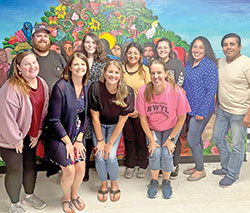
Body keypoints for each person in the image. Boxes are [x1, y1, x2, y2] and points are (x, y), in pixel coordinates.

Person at [0, 51, 49, 213]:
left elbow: (43, 111)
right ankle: (14, 204)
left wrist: (38, 132)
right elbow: (5, 117)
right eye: (27, 64)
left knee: (29, 166)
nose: (32, 66)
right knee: (16, 169)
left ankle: (29, 196)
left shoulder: (42, 83)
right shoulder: (11, 87)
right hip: (9, 137)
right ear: (19, 68)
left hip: (30, 135)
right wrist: (16, 140)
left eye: (34, 62)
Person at [136, 59, 190, 199]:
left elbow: (182, 117)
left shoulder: (176, 91)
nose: (156, 76)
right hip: (153, 128)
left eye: (159, 72)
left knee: (166, 153)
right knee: (154, 152)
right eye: (153, 73)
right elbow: (142, 118)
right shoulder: (144, 91)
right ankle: (154, 181)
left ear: (166, 73)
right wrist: (151, 140)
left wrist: (171, 139)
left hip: (170, 128)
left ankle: (166, 181)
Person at [45, 52, 90, 212]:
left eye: (83, 64)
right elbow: (54, 120)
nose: (80, 67)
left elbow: (87, 117)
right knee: (70, 170)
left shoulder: (88, 86)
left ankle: (75, 194)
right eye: (76, 64)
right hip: (60, 136)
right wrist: (68, 143)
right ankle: (66, 197)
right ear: (70, 67)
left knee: (81, 168)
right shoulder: (61, 87)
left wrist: (79, 140)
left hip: (77, 135)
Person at [89, 60, 134, 202]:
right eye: (110, 71)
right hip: (99, 125)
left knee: (112, 155)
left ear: (120, 75)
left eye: (116, 72)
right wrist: (101, 141)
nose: (113, 75)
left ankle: (114, 183)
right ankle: (103, 184)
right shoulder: (95, 88)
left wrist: (110, 144)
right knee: (100, 155)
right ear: (104, 73)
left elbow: (121, 122)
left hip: (115, 126)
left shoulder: (127, 92)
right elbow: (94, 117)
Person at [212, 33, 250, 187]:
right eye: (225, 44)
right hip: (222, 110)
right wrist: (216, 104)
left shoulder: (246, 63)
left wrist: (248, 114)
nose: (228, 47)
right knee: (218, 138)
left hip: (239, 112)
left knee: (236, 144)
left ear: (239, 47)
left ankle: (233, 174)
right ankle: (227, 167)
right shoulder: (220, 62)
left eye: (232, 44)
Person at [183, 36, 218, 181]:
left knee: (192, 139)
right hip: (190, 108)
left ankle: (200, 169)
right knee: (195, 138)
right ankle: (198, 164)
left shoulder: (209, 66)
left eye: (201, 47)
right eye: (195, 47)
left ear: (206, 50)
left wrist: (202, 112)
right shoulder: (189, 64)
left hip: (202, 110)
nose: (197, 50)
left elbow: (212, 90)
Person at [156, 38, 185, 179]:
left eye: (165, 47)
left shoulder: (176, 63)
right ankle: (162, 165)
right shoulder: (153, 64)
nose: (162, 50)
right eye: (159, 47)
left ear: (170, 49)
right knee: (160, 136)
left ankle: (174, 164)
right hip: (157, 107)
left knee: (173, 135)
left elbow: (180, 82)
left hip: (173, 105)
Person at [80, 32, 107, 181]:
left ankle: (101, 166)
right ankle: (84, 168)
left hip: (98, 103)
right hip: (81, 102)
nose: (90, 45)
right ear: (83, 44)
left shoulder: (102, 62)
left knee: (98, 134)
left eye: (93, 42)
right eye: (87, 42)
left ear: (97, 45)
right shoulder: (79, 60)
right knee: (85, 136)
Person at [123, 42, 150, 179]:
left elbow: (150, 92)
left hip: (141, 111)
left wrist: (140, 110)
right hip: (124, 111)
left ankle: (143, 164)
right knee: (129, 138)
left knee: (141, 138)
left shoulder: (145, 70)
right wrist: (126, 109)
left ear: (140, 55)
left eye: (135, 53)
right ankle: (130, 164)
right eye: (130, 53)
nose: (132, 56)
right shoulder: (121, 69)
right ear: (126, 53)